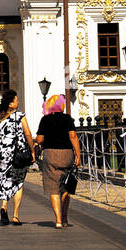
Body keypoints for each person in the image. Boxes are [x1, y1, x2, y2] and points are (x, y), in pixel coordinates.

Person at [35, 94, 82, 228]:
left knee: (53, 187)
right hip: (66, 153)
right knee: (66, 185)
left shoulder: (45, 119)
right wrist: (78, 154)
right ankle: (65, 216)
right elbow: (73, 136)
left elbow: (39, 139)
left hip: (50, 154)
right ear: (61, 105)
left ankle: (58, 220)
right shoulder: (67, 119)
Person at [0, 88, 34, 226]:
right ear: (10, 104)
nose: (18, 102)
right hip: (18, 154)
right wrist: (32, 150)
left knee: (5, 181)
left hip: (4, 154)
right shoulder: (19, 116)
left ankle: (4, 206)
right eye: (16, 100)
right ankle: (15, 215)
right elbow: (27, 133)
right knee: (18, 183)